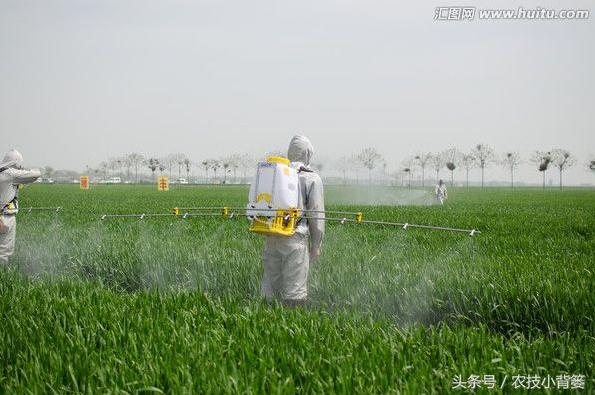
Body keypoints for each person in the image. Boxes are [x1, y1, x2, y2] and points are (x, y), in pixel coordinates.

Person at [261, 135, 325, 306]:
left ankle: (264, 322)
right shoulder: (311, 178)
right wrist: (316, 245)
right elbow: (316, 214)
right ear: (307, 153)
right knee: (295, 290)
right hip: (295, 238)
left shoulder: (277, 172)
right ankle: (290, 327)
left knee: (270, 288)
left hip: (271, 235)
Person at [0, 149, 41, 265]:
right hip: (4, 218)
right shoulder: (10, 174)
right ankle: (3, 277)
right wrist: (25, 170)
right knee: (4, 252)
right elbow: (36, 174)